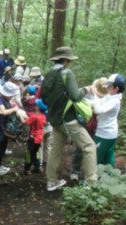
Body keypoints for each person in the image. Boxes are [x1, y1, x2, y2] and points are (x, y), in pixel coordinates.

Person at [41, 46, 97, 191]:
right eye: (70, 60)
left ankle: (51, 181)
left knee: (56, 150)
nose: (70, 63)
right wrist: (86, 89)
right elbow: (75, 96)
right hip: (68, 120)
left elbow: (44, 98)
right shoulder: (67, 73)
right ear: (65, 60)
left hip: (55, 119)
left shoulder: (48, 75)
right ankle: (92, 183)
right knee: (89, 147)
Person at [70, 77, 108, 181]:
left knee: (94, 150)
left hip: (98, 127)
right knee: (79, 149)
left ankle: (92, 173)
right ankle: (75, 171)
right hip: (83, 125)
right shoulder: (84, 92)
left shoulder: (107, 96)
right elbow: (75, 102)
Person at [92, 74, 125, 166]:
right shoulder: (111, 97)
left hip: (104, 133)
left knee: (96, 157)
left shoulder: (115, 101)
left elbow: (99, 110)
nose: (107, 87)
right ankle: (109, 176)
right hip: (110, 132)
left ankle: (91, 179)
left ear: (116, 88)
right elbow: (99, 102)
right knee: (108, 157)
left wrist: (94, 94)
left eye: (110, 85)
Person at [0, 82, 19, 175]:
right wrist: (14, 109)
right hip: (0, 128)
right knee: (1, 149)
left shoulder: (5, 100)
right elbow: (3, 111)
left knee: (3, 147)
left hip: (5, 127)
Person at [18, 99, 47, 175]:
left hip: (33, 138)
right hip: (39, 138)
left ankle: (27, 169)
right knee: (35, 153)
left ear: (38, 108)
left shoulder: (34, 116)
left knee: (29, 154)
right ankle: (37, 168)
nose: (35, 106)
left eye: (36, 105)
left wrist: (20, 114)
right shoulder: (43, 116)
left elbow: (24, 122)